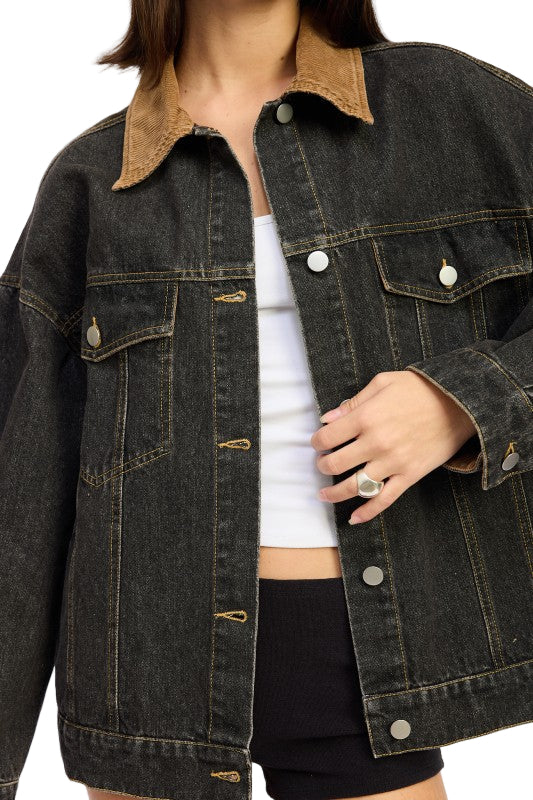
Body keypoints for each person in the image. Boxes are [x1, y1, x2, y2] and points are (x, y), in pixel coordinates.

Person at [1, 1, 531, 799]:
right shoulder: (92, 178)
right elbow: (23, 491)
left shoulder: (450, 106)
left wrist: (462, 403)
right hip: (146, 671)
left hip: (361, 656)